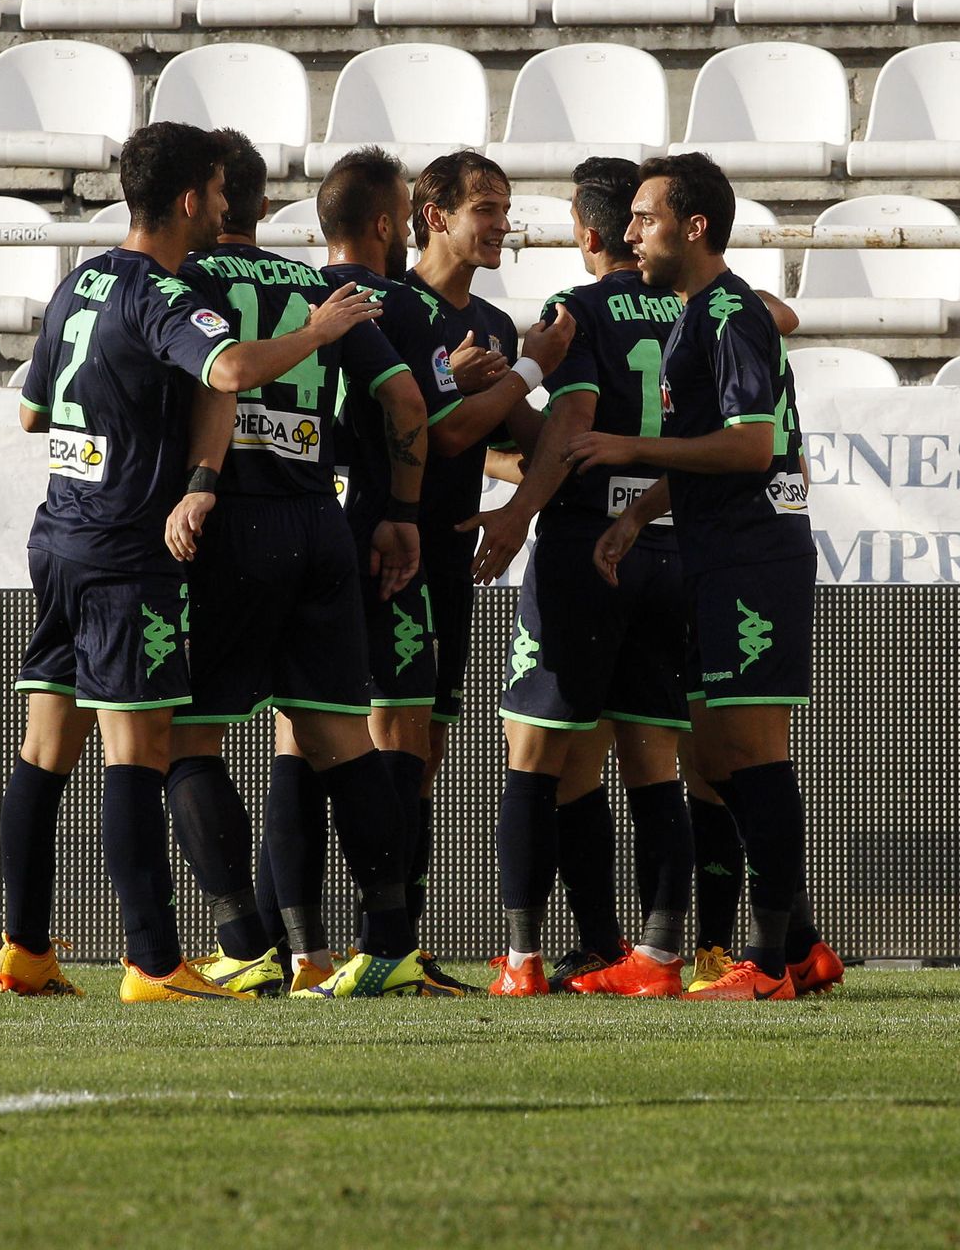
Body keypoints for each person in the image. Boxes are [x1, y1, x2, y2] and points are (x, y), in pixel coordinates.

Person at [0, 121, 384, 1003]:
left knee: (46, 747)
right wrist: (319, 329)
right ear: (186, 199)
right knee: (140, 749)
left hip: (59, 537)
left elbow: (29, 416)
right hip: (130, 553)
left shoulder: (80, 281)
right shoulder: (164, 292)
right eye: (214, 191)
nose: (223, 205)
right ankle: (154, 960)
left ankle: (24, 945)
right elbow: (234, 363)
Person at [164, 130, 456, 999]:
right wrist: (400, 513)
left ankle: (245, 939)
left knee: (185, 739)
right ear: (263, 203)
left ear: (216, 199)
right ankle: (392, 939)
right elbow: (404, 397)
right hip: (320, 523)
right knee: (339, 740)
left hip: (227, 523)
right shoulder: (314, 285)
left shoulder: (185, 283)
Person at [571, 152, 841, 1000]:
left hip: (755, 557)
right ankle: (799, 948)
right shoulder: (696, 315)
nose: (629, 232)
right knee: (723, 754)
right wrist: (639, 512)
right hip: (718, 553)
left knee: (751, 752)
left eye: (645, 217)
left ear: (694, 226)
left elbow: (752, 447)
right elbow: (712, 454)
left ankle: (769, 964)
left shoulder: (730, 314)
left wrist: (629, 448)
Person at [462, 156, 695, 997]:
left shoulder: (580, 309)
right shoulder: (696, 303)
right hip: (668, 544)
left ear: (589, 232)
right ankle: (650, 954)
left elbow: (573, 424)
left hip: (581, 547)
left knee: (533, 754)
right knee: (647, 760)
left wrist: (517, 511)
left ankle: (521, 957)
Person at [397, 152, 574, 975]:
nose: (504, 224)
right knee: (377, 746)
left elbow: (510, 441)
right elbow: (439, 431)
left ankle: (404, 941)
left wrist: (529, 496)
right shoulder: (392, 307)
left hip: (449, 560)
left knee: (426, 748)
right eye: (487, 209)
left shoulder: (498, 327)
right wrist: (526, 371)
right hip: (382, 551)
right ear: (433, 215)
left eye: (505, 209)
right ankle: (352, 942)